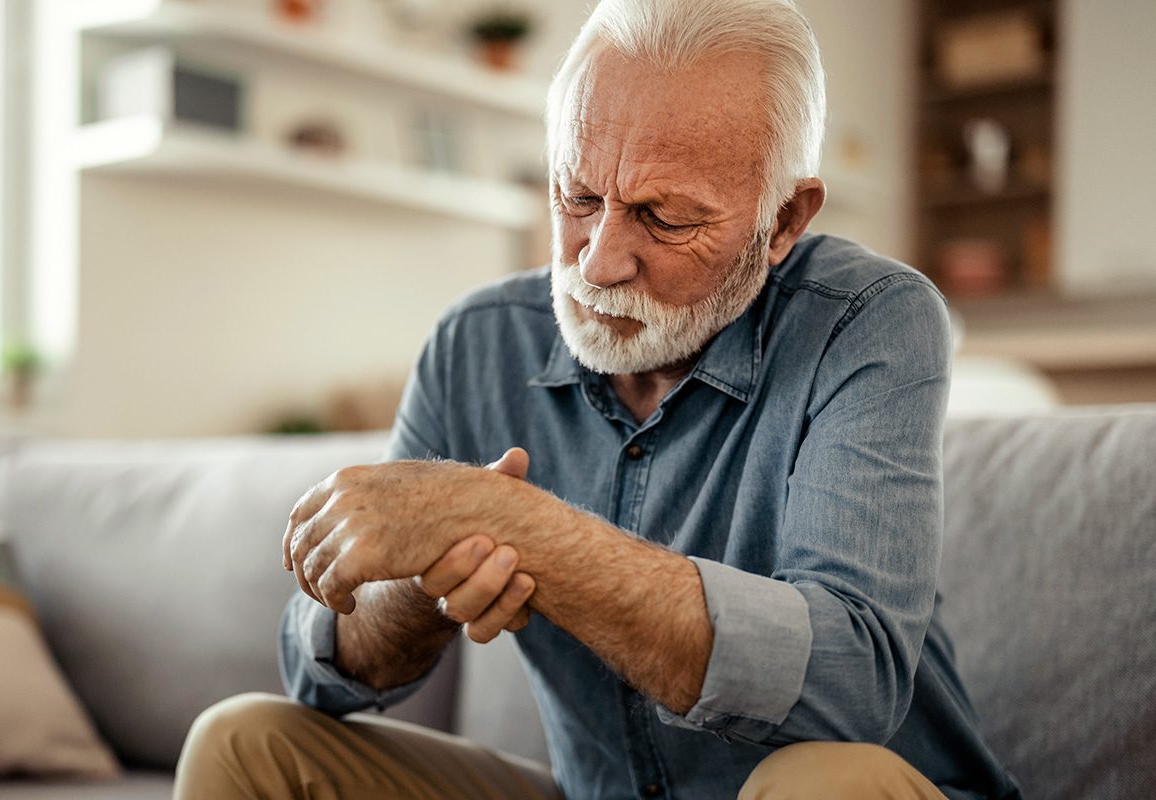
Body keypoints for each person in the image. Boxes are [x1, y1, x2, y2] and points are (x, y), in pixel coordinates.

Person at [174, 1, 1022, 798]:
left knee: (819, 784)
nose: (598, 262)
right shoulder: (477, 342)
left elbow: (853, 685)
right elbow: (320, 679)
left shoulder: (870, 320)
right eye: (578, 197)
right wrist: (421, 578)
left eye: (664, 218)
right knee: (245, 743)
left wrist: (521, 527)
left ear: (783, 222)